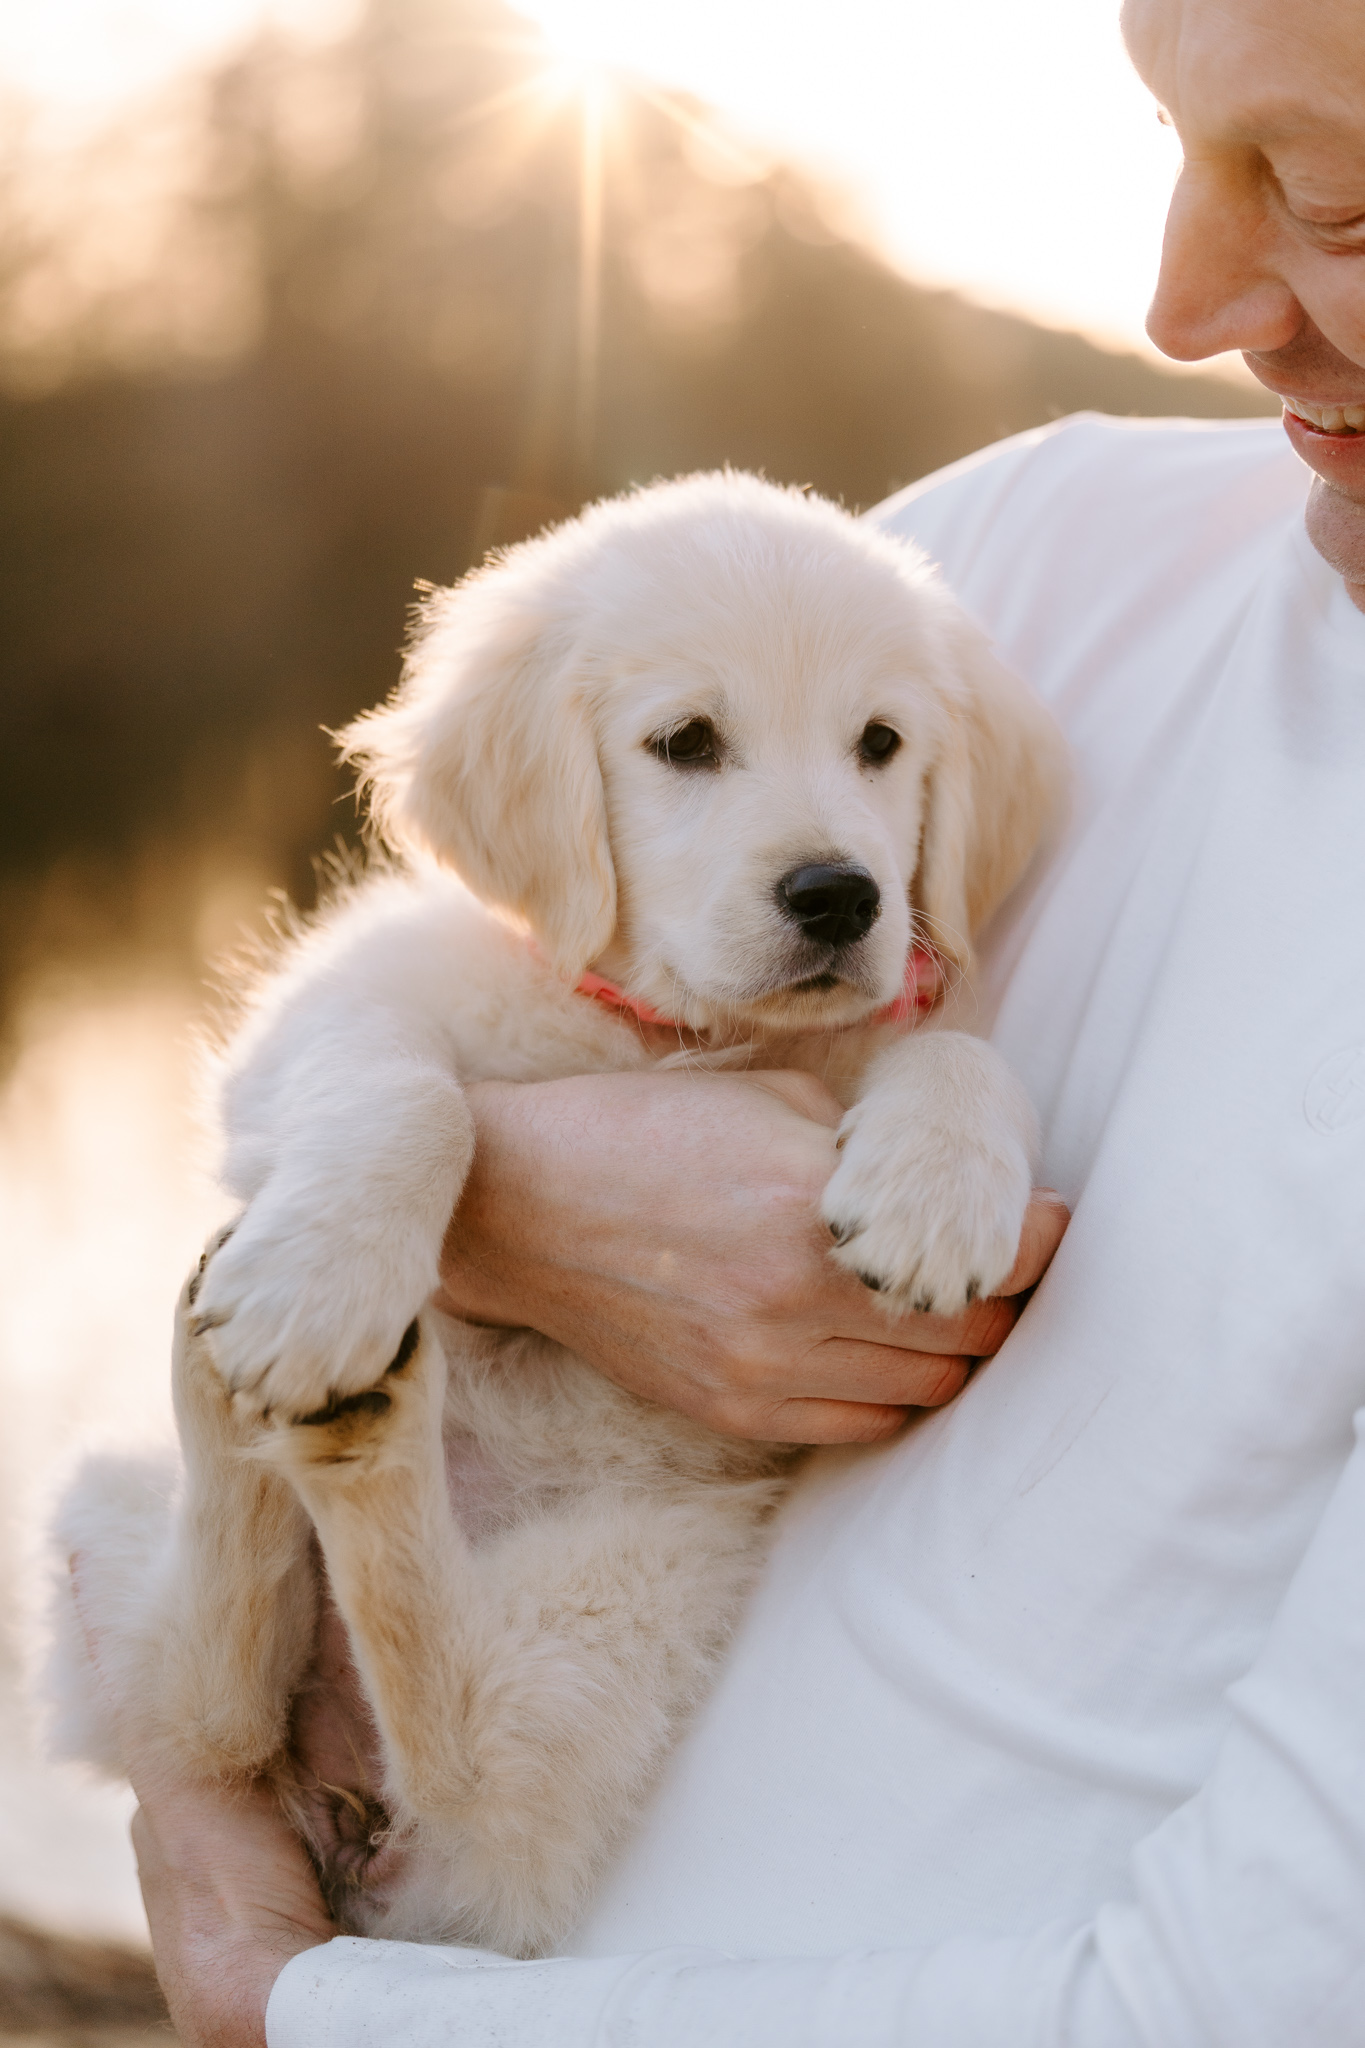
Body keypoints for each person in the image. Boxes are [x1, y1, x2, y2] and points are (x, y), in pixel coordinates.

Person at [92, 0, 1365, 2038]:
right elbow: (299, 1183)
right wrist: (495, 1203)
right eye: (1163, 135)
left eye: (1328, 196)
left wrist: (305, 2006)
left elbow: (1241, 2001)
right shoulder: (1013, 556)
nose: (1176, 303)